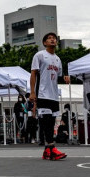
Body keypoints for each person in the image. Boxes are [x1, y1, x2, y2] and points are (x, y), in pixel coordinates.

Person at [29, 32, 70, 160]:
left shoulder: (58, 59)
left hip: (53, 96)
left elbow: (57, 77)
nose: (52, 40)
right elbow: (34, 74)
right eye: (49, 38)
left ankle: (47, 150)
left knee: (51, 123)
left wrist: (65, 78)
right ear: (45, 42)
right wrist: (32, 92)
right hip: (43, 94)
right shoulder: (40, 55)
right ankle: (52, 148)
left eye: (54, 38)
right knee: (46, 122)